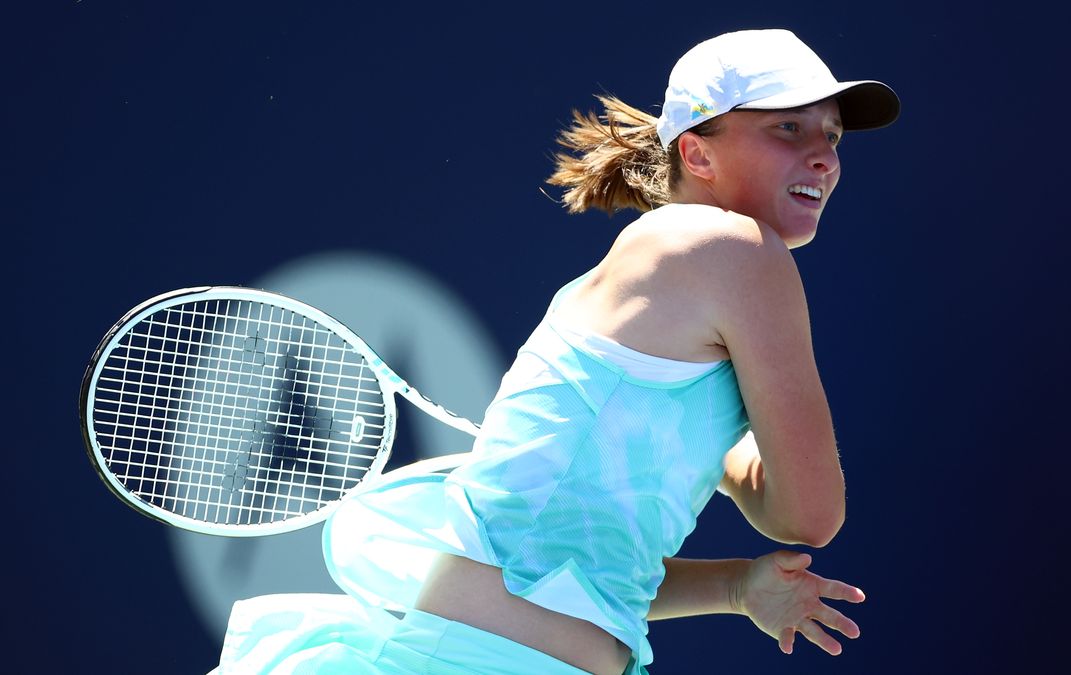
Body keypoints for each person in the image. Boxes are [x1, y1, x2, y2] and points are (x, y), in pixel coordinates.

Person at [211, 28, 899, 675]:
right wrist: (746, 472)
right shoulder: (739, 251)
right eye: (789, 127)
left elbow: (569, 570)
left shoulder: (622, 285)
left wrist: (736, 586)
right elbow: (808, 513)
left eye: (832, 136)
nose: (824, 155)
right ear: (697, 152)